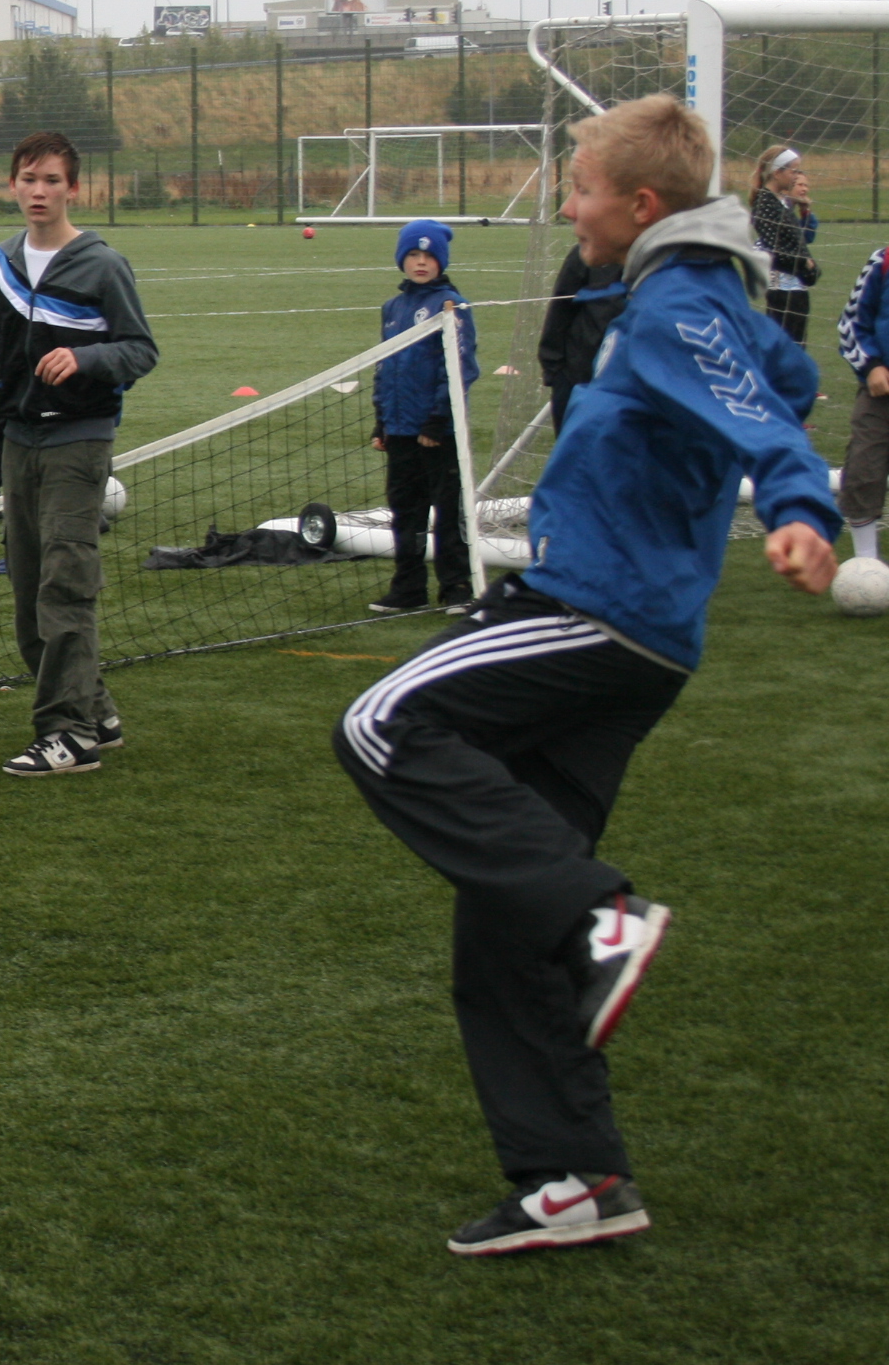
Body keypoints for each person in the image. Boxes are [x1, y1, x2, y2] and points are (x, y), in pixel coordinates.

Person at [332, 95, 838, 1257]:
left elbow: (768, 421)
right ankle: (575, 1175)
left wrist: (800, 507)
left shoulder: (676, 305)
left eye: (579, 190)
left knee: (378, 722)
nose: (566, 208)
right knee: (500, 925)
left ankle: (598, 918)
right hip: (637, 631)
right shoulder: (689, 298)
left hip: (595, 608)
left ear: (640, 204)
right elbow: (785, 377)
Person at [0, 130, 159, 777]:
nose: (39, 191)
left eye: (52, 181)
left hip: (78, 442)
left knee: (65, 584)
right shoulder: (0, 263)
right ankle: (97, 711)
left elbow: (140, 349)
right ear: (13, 184)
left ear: (74, 189)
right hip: (17, 441)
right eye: (29, 179)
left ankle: (70, 734)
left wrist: (86, 359)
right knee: (28, 588)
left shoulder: (103, 265)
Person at [367, 220, 479, 614]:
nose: (420, 262)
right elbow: (384, 366)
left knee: (447, 512)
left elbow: (461, 367)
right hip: (399, 429)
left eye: (429, 256)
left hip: (437, 431)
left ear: (440, 262)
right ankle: (408, 588)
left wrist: (438, 419)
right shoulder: (393, 308)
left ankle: (457, 587)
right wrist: (382, 419)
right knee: (405, 511)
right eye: (413, 254)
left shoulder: (451, 305)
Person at [535, 243, 624, 433]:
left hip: (638, 383)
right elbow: (561, 308)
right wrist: (554, 370)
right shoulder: (590, 250)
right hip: (580, 375)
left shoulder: (667, 258)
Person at [837, 241, 888, 562]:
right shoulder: (883, 261)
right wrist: (871, 366)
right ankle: (866, 562)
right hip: (881, 394)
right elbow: (851, 322)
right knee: (863, 469)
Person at [749, 145, 819, 348]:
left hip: (796, 286)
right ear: (777, 172)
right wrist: (805, 263)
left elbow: (798, 239)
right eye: (793, 171)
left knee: (796, 345)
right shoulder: (765, 203)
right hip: (783, 288)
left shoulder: (780, 201)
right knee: (786, 348)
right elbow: (776, 249)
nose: (796, 177)